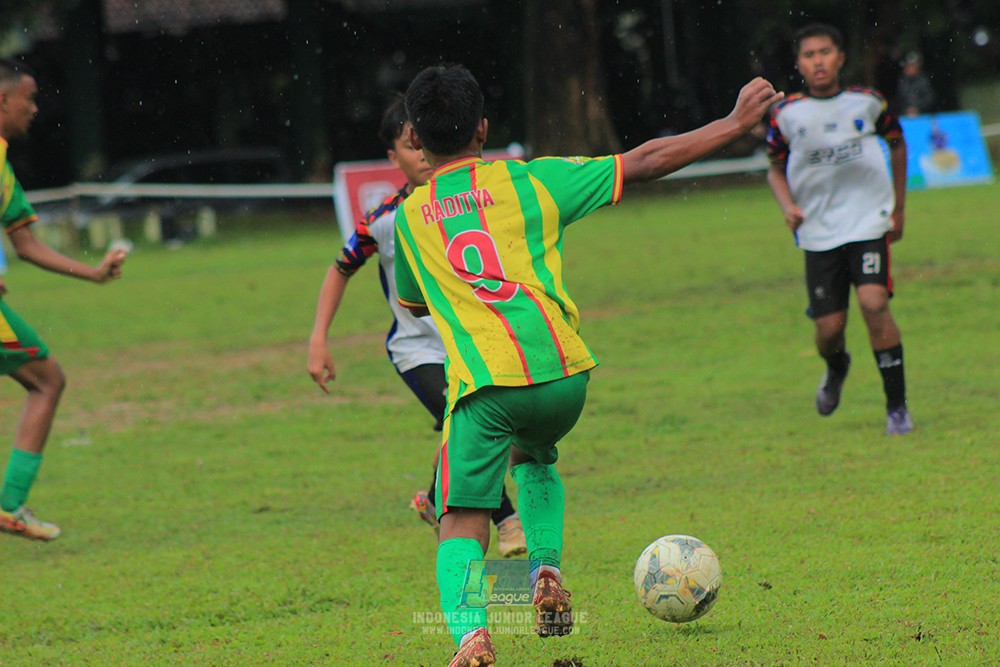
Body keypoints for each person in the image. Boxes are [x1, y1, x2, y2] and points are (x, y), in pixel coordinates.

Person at [395, 64, 780, 667]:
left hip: (486, 385)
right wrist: (734, 122)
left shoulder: (408, 217)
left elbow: (413, 300)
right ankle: (545, 572)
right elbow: (647, 160)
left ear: (414, 137)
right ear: (484, 128)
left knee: (460, 521)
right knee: (535, 456)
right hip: (564, 375)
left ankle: (472, 637)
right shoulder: (533, 181)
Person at [306, 95, 526, 557]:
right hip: (418, 351)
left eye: (424, 141)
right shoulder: (384, 220)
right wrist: (318, 339)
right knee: (473, 428)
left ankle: (432, 498)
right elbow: (340, 268)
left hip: (472, 346)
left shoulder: (466, 204)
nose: (421, 154)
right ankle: (508, 521)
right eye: (409, 146)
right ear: (393, 156)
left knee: (471, 431)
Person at [0, 59, 127, 541]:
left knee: (47, 380)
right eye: (28, 100)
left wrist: (93, 274)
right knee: (47, 381)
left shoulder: (4, 168)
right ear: (3, 101)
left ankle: (11, 505)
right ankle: (10, 505)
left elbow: (26, 244)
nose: (34, 109)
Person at [765, 23, 913, 436]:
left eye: (825, 52)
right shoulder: (786, 114)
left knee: (873, 303)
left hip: (868, 222)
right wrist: (788, 206)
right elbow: (775, 169)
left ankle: (897, 408)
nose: (818, 61)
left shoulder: (867, 103)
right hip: (818, 232)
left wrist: (898, 207)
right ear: (799, 64)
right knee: (829, 330)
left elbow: (898, 143)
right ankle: (837, 366)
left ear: (840, 57)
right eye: (809, 55)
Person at [896, 51, 934, 117]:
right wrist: (906, 110)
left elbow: (929, 99)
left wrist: (917, 108)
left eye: (912, 66)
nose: (909, 68)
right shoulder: (902, 81)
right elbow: (899, 100)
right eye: (908, 66)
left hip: (922, 116)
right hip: (904, 116)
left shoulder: (923, 81)